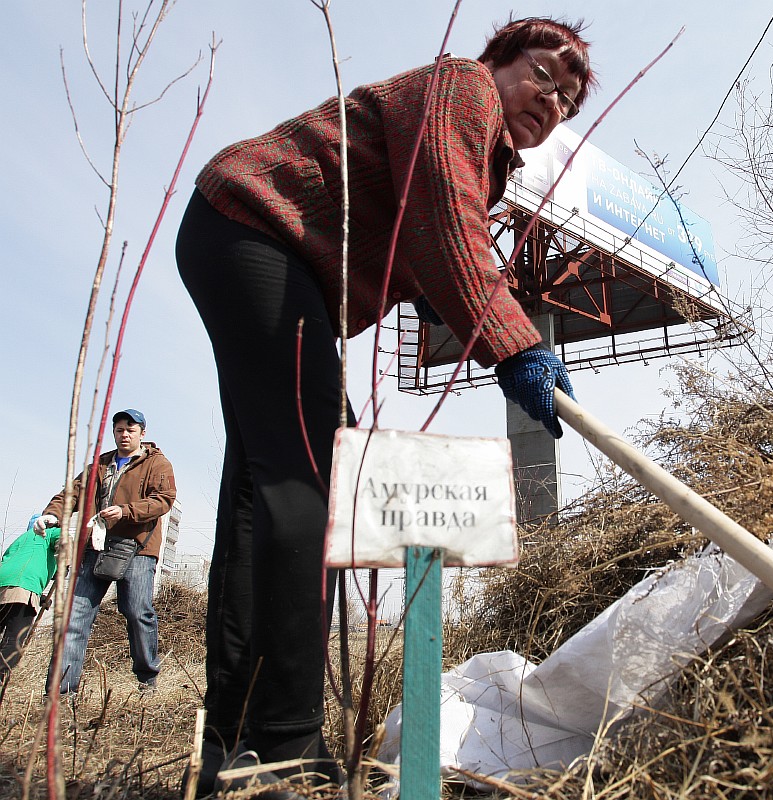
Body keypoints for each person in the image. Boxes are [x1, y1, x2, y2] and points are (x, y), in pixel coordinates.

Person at [174, 15, 595, 794]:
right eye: (543, 73)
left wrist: (438, 296)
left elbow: (427, 230)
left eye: (569, 99)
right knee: (312, 476)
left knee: (262, 492)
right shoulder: (459, 87)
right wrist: (515, 343)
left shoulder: (492, 163)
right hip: (258, 226)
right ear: (498, 63)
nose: (554, 101)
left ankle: (231, 744)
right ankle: (283, 743)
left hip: (266, 253)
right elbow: (443, 215)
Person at [34, 408, 177, 696]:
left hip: (138, 548)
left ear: (142, 433)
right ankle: (62, 691)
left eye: (130, 430)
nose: (124, 435)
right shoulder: (99, 465)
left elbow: (163, 500)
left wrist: (126, 511)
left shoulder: (157, 464)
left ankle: (146, 680)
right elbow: (70, 494)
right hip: (96, 546)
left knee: (137, 612)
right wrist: (53, 515)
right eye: (119, 430)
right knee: (75, 617)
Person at [0, 514, 62, 690]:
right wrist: (64, 561)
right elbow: (64, 542)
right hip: (23, 587)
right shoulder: (49, 533)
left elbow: (17, 568)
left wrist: (40, 598)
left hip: (5, 585)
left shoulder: (21, 540)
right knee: (13, 642)